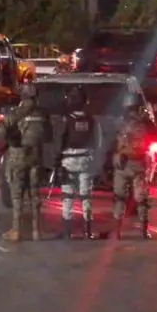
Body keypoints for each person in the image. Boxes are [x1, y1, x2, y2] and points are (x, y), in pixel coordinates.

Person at [0, 84, 52, 241]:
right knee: (35, 195)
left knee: (17, 196)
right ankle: (37, 231)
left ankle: (16, 230)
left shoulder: (15, 113)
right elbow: (49, 136)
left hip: (17, 157)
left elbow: (1, 132)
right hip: (35, 157)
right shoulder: (43, 114)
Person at [56, 86, 101, 239]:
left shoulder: (66, 120)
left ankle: (67, 231)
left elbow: (60, 141)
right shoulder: (92, 120)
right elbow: (98, 142)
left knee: (67, 196)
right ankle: (87, 230)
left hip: (68, 161)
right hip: (86, 161)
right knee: (86, 196)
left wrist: (57, 161)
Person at [111, 98, 155, 239]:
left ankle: (117, 232)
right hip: (138, 164)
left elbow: (112, 143)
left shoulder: (120, 124)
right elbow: (155, 136)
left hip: (122, 164)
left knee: (120, 198)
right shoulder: (144, 124)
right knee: (141, 199)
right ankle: (144, 231)